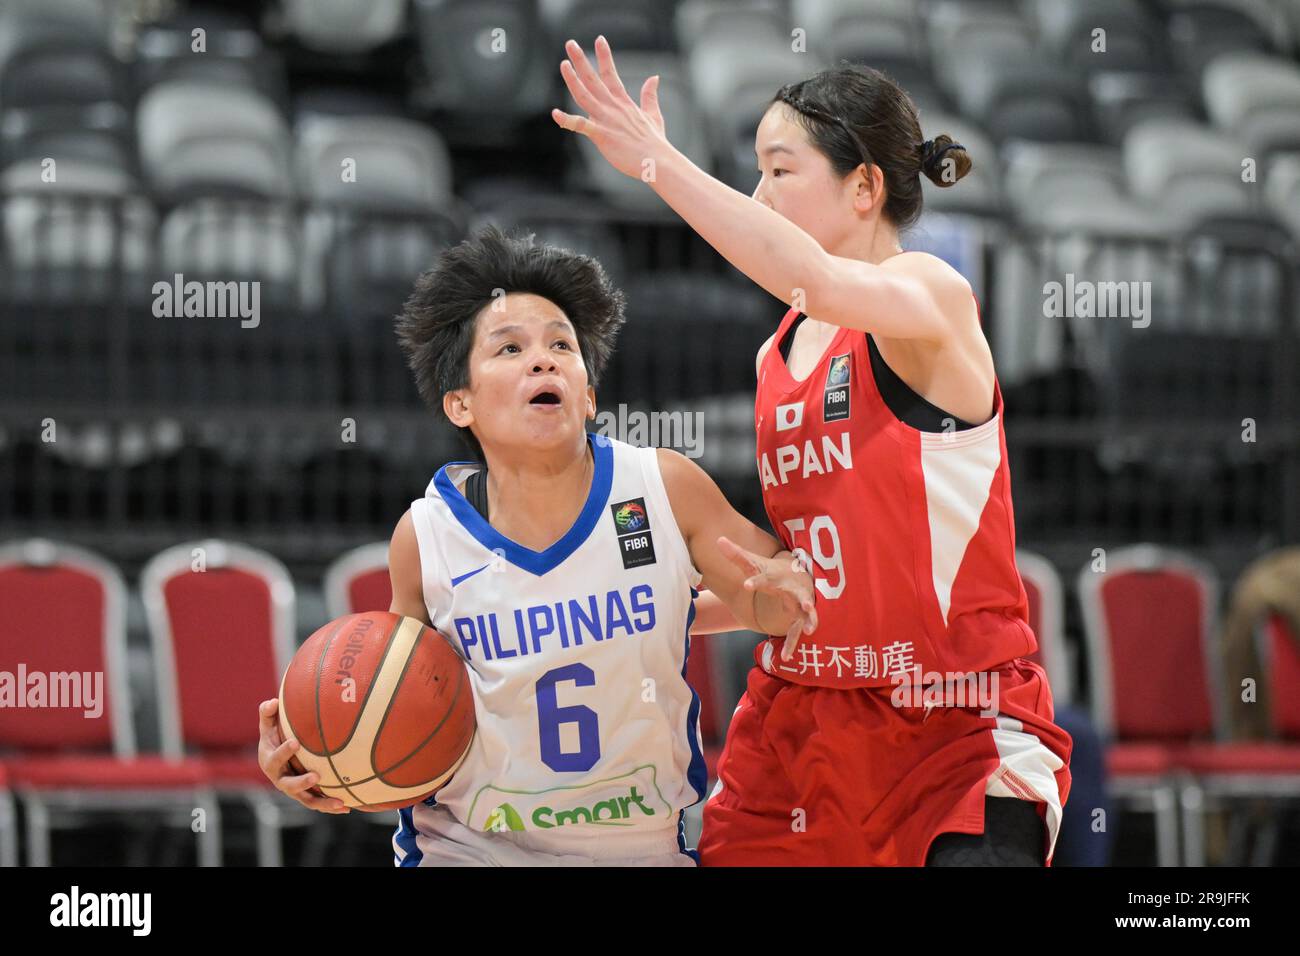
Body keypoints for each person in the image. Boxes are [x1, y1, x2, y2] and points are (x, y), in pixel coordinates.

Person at [554, 36, 1072, 865]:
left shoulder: (930, 297)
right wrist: (635, 613)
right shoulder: (778, 356)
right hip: (804, 723)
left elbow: (817, 281)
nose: (758, 195)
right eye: (754, 172)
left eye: (779, 171)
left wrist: (658, 163)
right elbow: (800, 574)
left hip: (950, 723)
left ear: (864, 185)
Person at [256, 224, 816, 866]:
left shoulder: (662, 487)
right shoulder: (428, 535)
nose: (543, 359)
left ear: (587, 394)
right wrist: (327, 764)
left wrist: (786, 585)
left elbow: (772, 606)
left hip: (635, 850)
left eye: (561, 345)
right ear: (460, 404)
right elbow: (394, 700)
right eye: (509, 348)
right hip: (470, 849)